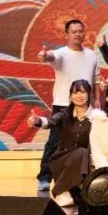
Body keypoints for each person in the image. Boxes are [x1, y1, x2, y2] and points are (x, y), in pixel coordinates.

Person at [35, 18, 99, 192]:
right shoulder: (61, 54)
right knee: (54, 142)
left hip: (86, 107)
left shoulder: (91, 55)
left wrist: (96, 100)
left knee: (87, 142)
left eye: (80, 31)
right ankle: (44, 177)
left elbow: (95, 80)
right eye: (73, 31)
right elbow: (50, 56)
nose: (77, 34)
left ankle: (82, 178)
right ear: (66, 35)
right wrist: (44, 56)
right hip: (63, 105)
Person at [27, 79, 95, 207]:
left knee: (83, 197)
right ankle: (60, 191)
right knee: (82, 151)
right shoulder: (64, 114)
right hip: (63, 161)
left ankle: (71, 193)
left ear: (89, 94)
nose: (79, 96)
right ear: (70, 96)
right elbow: (51, 121)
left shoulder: (97, 117)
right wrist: (38, 121)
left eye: (82, 92)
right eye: (75, 92)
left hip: (84, 166)